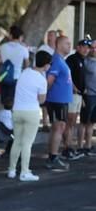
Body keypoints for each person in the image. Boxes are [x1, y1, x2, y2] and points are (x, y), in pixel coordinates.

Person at [8, 51, 50, 181]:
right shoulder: (42, 80)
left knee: (17, 141)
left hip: (17, 110)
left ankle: (12, 170)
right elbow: (42, 100)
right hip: (31, 112)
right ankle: (25, 172)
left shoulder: (24, 72)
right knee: (27, 143)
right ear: (46, 65)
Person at [45, 36, 73, 170]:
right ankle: (53, 157)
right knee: (59, 128)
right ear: (59, 45)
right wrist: (45, 96)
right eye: (67, 44)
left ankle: (52, 155)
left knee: (58, 127)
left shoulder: (61, 60)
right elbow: (49, 80)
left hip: (61, 100)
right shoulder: (56, 60)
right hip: (57, 100)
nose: (69, 46)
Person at [65, 38, 91, 160]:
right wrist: (74, 88)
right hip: (72, 95)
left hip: (79, 96)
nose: (86, 49)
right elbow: (67, 75)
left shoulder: (83, 60)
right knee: (69, 123)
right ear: (78, 47)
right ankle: (67, 149)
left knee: (73, 123)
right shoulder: (72, 59)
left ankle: (69, 148)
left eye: (88, 47)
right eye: (84, 47)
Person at [0, 25, 29, 107]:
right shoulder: (23, 49)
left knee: (5, 101)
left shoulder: (3, 47)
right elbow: (27, 65)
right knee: (15, 101)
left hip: (3, 76)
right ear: (21, 37)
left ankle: (5, 117)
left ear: (11, 35)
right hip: (17, 78)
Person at [82, 42, 96, 154]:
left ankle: (88, 145)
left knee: (92, 122)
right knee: (84, 122)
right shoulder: (85, 61)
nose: (94, 49)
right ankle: (81, 146)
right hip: (89, 95)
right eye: (92, 47)